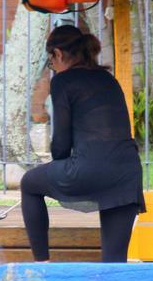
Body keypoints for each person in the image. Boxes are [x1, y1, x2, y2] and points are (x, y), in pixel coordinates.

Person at [20, 25, 146, 263]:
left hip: (89, 169)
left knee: (29, 183)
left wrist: (42, 116)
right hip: (127, 173)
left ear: (57, 54)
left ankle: (42, 265)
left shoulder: (63, 81)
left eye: (50, 62)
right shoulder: (107, 78)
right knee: (114, 262)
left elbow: (60, 147)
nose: (52, 68)